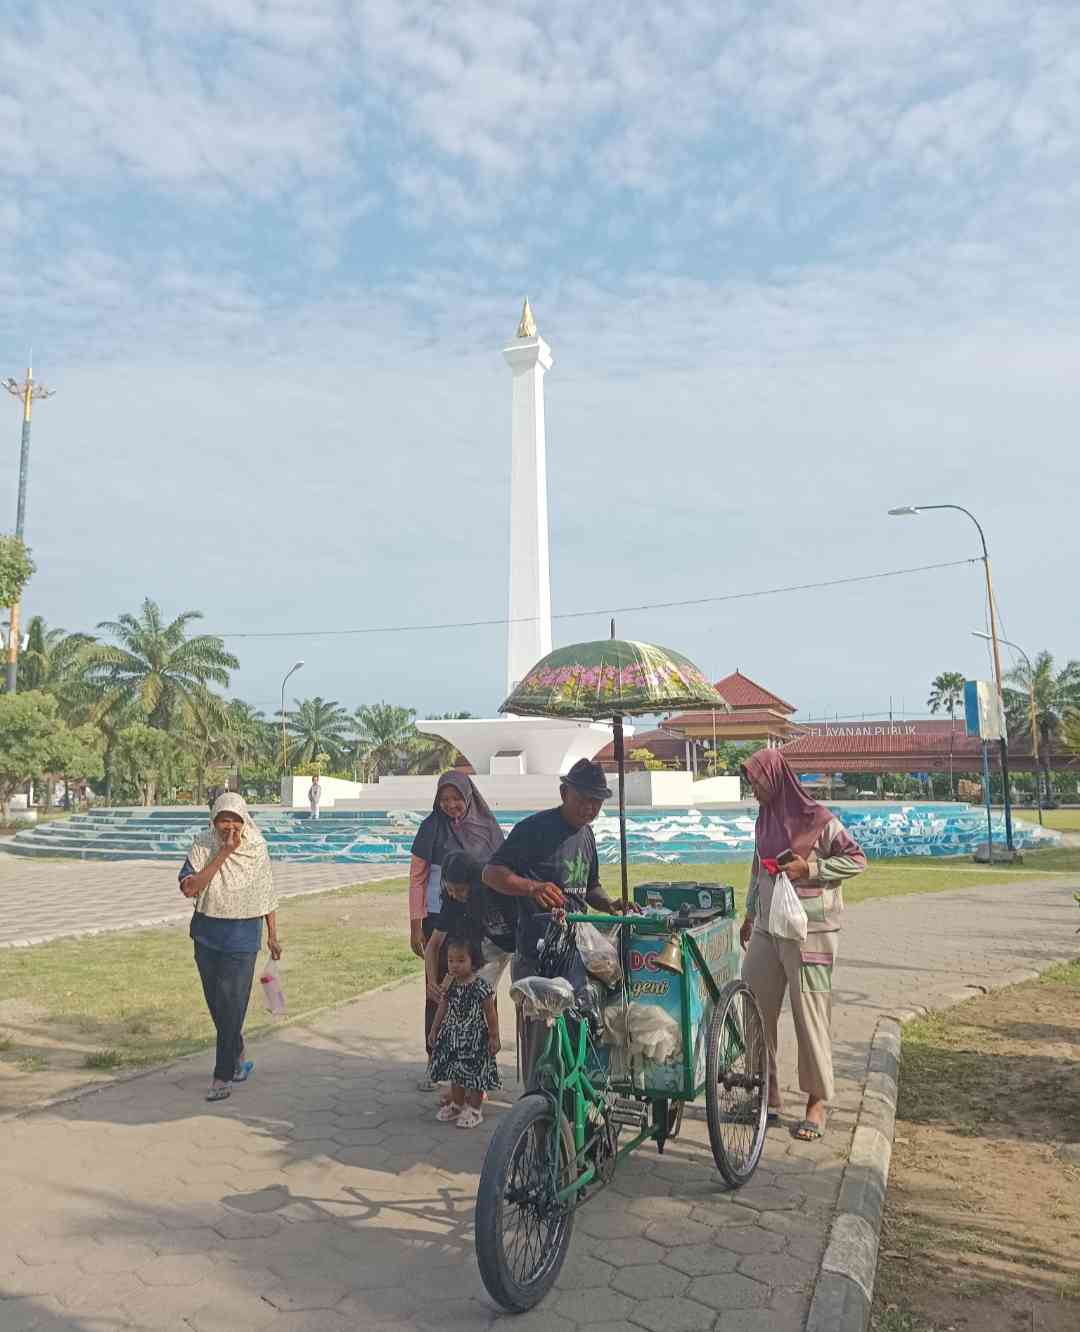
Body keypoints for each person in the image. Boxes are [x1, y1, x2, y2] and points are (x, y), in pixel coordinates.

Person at [738, 748, 866, 1142]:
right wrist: (748, 912)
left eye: (756, 781)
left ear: (776, 778)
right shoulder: (764, 819)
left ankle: (816, 1101)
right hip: (768, 926)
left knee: (809, 1013)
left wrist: (810, 868)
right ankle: (767, 1093)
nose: (753, 789)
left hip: (811, 929)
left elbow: (857, 860)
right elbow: (759, 865)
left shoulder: (819, 820)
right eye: (750, 782)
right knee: (754, 1002)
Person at [484, 758, 627, 1086]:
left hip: (575, 950)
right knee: (538, 1037)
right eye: (582, 800)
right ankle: (536, 1112)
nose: (589, 809)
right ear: (564, 793)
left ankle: (575, 1105)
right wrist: (531, 887)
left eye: (597, 803)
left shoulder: (587, 835)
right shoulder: (533, 829)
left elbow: (589, 887)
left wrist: (609, 904)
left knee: (579, 1027)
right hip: (535, 950)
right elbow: (491, 873)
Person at [179, 793, 282, 1103]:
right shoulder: (203, 844)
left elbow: (266, 892)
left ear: (244, 820)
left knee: (231, 1004)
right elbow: (190, 888)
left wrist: (273, 935)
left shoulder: (256, 846)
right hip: (207, 933)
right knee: (216, 1004)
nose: (230, 826)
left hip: (243, 934)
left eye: (235, 820)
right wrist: (223, 853)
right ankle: (236, 1055)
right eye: (224, 820)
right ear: (214, 820)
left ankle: (221, 1075)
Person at [410, 771, 504, 1089]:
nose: (451, 805)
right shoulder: (431, 830)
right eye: (444, 799)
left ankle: (480, 1074)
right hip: (446, 921)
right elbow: (417, 879)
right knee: (442, 998)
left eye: (456, 798)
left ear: (469, 797)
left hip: (490, 933)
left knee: (479, 999)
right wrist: (435, 982)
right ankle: (438, 1064)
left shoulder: (487, 829)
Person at [427, 934, 501, 1129]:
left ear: (473, 962)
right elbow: (442, 1007)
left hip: (476, 1039)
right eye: (451, 960)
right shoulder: (450, 985)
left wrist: (494, 1037)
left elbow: (491, 1013)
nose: (454, 965)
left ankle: (475, 1109)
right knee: (456, 1073)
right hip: (454, 1038)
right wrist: (434, 1029)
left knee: (476, 1075)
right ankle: (457, 1105)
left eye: (461, 960)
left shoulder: (481, 987)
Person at [424, 849, 517, 1002]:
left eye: (460, 890)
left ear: (474, 885)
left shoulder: (495, 886)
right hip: (492, 944)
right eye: (450, 889)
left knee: (524, 995)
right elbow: (433, 944)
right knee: (474, 996)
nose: (454, 894)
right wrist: (432, 981)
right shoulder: (452, 899)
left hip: (523, 939)